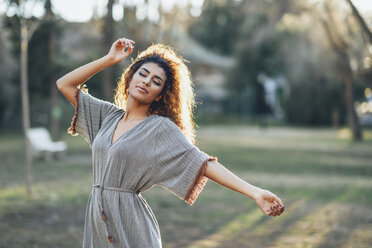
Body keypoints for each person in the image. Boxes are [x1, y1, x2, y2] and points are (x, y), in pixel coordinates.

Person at [56, 37, 284, 248]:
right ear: (131, 77)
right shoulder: (107, 116)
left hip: (132, 226)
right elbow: (65, 84)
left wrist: (254, 192)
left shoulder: (159, 128)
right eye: (142, 74)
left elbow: (203, 163)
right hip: (96, 219)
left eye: (156, 82)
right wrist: (109, 60)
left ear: (159, 95)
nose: (146, 82)